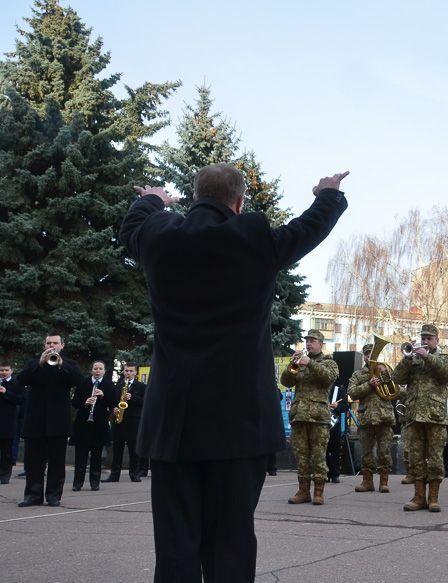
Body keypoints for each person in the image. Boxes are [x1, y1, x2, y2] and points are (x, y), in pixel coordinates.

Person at [119, 164, 348, 581]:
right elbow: (307, 229)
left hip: (173, 421)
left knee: (175, 541)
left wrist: (152, 198)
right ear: (239, 202)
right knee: (231, 539)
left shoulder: (159, 236)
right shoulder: (254, 238)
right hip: (238, 423)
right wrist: (328, 194)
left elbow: (131, 227)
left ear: (193, 197)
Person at [391, 324, 448, 512]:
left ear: (437, 340)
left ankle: (433, 498)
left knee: (435, 458)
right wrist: (407, 359)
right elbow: (397, 378)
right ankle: (419, 497)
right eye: (423, 338)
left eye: (429, 338)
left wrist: (428, 357)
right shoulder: (413, 360)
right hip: (414, 415)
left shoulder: (444, 358)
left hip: (435, 416)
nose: (425, 342)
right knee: (416, 458)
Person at [17, 334, 84, 507]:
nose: (52, 346)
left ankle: (54, 495)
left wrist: (61, 365)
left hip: (58, 420)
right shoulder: (33, 363)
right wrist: (39, 364)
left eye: (55, 343)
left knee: (57, 461)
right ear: (44, 344)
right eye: (49, 343)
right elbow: (21, 380)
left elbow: (79, 381)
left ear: (62, 345)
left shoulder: (69, 364)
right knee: (33, 462)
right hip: (35, 419)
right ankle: (33, 495)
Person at [281, 329, 340, 504]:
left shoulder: (329, 363)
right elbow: (286, 382)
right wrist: (292, 364)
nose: (308, 344)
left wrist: (310, 364)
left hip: (318, 417)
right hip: (299, 415)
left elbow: (328, 378)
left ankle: (319, 492)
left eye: (312, 341)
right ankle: (303, 491)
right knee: (301, 455)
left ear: (321, 344)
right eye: (307, 341)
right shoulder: (300, 362)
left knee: (318, 455)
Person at [349, 344, 396, 493]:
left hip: (384, 416)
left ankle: (384, 482)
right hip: (366, 417)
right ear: (363, 356)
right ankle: (367, 481)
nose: (370, 357)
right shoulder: (358, 374)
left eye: (372, 354)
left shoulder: (385, 370)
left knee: (385, 451)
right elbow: (352, 393)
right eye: (367, 354)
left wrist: (387, 374)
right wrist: (368, 385)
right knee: (366, 452)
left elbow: (398, 391)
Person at [71, 361, 116, 491]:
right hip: (83, 424)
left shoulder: (108, 385)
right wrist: (85, 402)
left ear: (104, 371)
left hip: (99, 425)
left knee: (97, 456)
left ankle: (94, 482)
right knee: (80, 456)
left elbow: (113, 402)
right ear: (91, 370)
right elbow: (74, 402)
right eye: (95, 368)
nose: (97, 371)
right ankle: (77, 483)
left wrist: (103, 396)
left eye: (100, 368)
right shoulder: (83, 383)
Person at [104, 363, 147, 483]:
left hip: (134, 421)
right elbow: (112, 401)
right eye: (126, 371)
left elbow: (146, 402)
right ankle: (114, 475)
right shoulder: (118, 386)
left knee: (134, 450)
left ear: (135, 373)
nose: (128, 373)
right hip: (119, 421)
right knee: (117, 449)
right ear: (123, 372)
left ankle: (134, 474)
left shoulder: (141, 386)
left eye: (131, 371)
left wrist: (132, 397)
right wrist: (114, 408)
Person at [0, 363, 25, 484]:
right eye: (1, 370)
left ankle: (5, 475)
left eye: (6, 370)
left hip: (8, 421)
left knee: (6, 450)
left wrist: (5, 393)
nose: (3, 372)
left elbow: (21, 400)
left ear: (11, 371)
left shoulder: (16, 384)